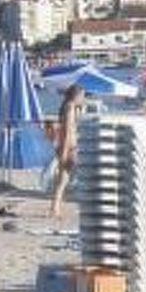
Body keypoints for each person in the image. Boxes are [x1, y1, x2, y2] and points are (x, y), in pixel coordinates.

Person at [49, 84, 87, 220]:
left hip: (67, 146)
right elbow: (68, 130)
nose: (83, 99)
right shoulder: (70, 107)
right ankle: (56, 208)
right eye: (82, 96)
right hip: (69, 147)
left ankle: (55, 208)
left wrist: (81, 110)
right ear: (76, 95)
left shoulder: (68, 107)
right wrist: (64, 151)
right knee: (82, 174)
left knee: (63, 179)